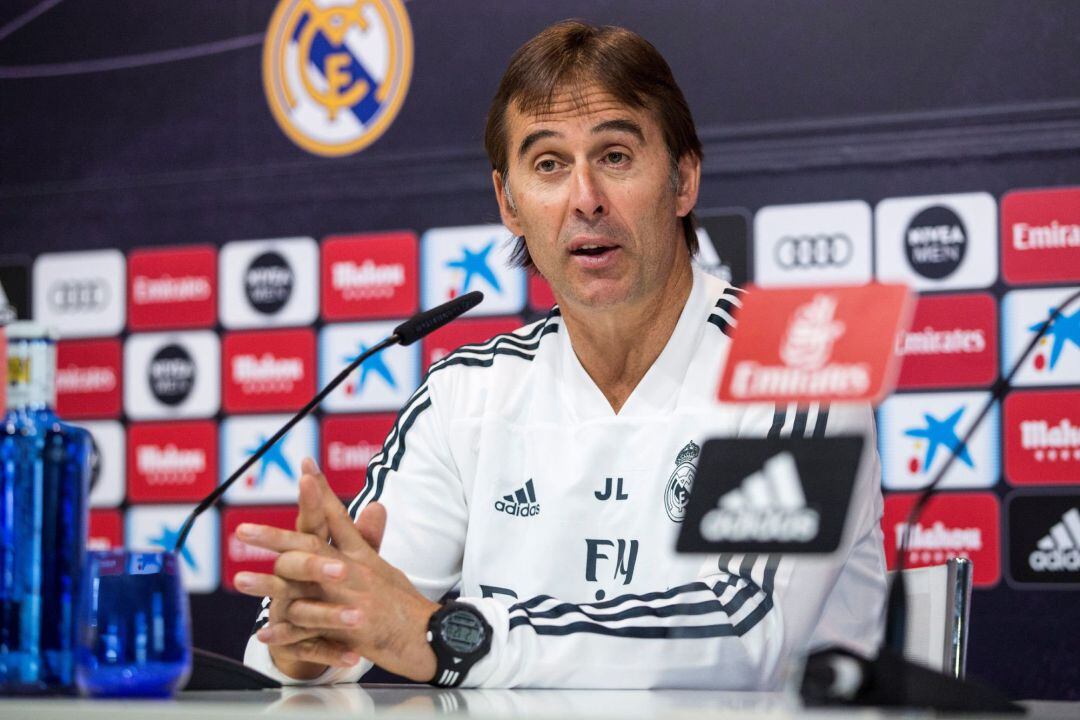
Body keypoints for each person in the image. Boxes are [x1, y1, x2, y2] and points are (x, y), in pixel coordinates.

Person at [238, 20, 886, 689]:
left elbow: (744, 635)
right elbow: (338, 625)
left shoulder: (792, 363)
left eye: (615, 156)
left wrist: (453, 640)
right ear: (509, 203)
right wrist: (311, 634)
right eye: (548, 165)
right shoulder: (467, 394)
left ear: (684, 180)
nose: (584, 199)